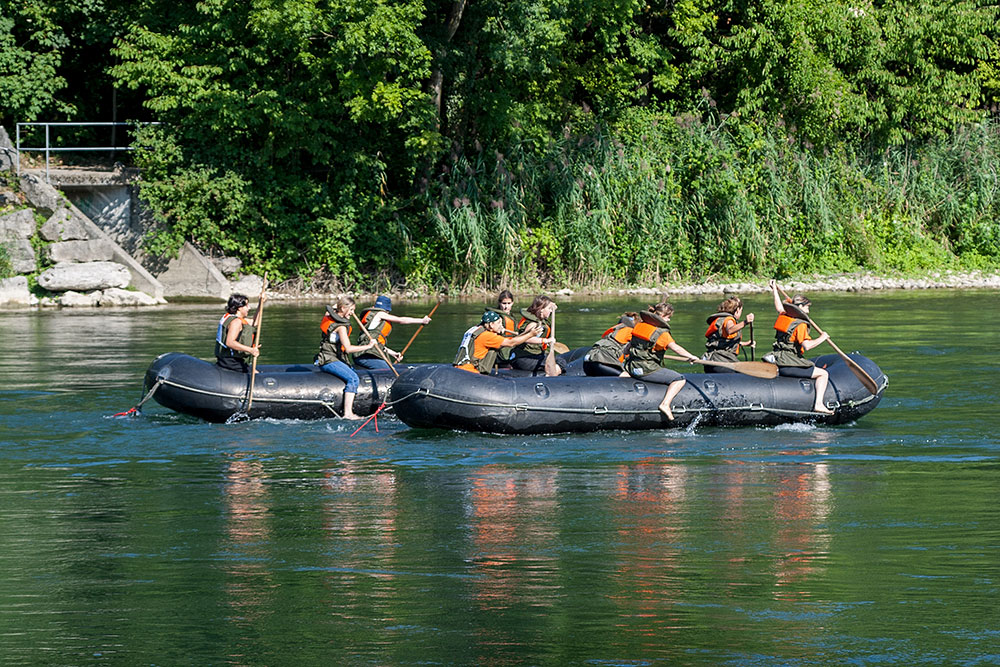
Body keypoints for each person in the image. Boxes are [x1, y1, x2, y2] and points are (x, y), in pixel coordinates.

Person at [623, 302, 699, 420]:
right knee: (679, 379)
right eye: (668, 317)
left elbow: (628, 347)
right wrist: (691, 356)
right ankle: (665, 404)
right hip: (646, 370)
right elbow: (676, 348)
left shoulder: (639, 326)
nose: (668, 320)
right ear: (662, 316)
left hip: (631, 367)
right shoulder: (662, 333)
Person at [768, 279, 833, 414]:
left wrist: (774, 290)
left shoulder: (784, 316)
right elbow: (807, 346)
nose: (808, 311)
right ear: (801, 307)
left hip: (778, 360)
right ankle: (819, 404)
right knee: (823, 374)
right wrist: (822, 338)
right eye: (807, 307)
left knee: (814, 368)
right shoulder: (801, 325)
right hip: (789, 364)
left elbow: (779, 306)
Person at [314, 298, 378, 420]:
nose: (352, 313)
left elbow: (332, 308)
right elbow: (348, 349)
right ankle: (348, 413)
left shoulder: (328, 316)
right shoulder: (341, 327)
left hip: (328, 358)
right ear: (343, 308)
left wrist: (341, 305)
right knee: (353, 378)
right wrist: (368, 346)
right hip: (329, 360)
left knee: (351, 370)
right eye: (351, 310)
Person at [354, 295, 432, 370]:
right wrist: (421, 320)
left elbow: (377, 344)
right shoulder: (380, 314)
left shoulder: (371, 317)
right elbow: (401, 320)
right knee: (389, 371)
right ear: (386, 310)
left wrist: (393, 353)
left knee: (390, 367)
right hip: (366, 357)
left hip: (363, 355)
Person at [454, 311, 543, 375]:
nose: (501, 325)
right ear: (491, 325)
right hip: (470, 371)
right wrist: (531, 334)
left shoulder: (475, 329)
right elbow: (511, 343)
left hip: (460, 369)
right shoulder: (487, 336)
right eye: (499, 323)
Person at [511, 295, 566, 376]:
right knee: (559, 363)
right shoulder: (533, 324)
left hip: (536, 354)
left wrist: (552, 306)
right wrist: (545, 340)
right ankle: (550, 378)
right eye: (549, 309)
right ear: (541, 310)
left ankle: (552, 375)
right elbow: (525, 339)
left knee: (561, 361)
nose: (551, 311)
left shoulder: (541, 320)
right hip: (524, 358)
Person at [703, 296, 755, 372]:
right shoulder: (729, 320)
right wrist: (745, 322)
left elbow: (723, 342)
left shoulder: (720, 319)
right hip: (722, 361)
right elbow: (730, 330)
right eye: (741, 310)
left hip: (711, 361)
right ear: (737, 310)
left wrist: (746, 343)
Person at [215, 292, 264, 372]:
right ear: (239, 308)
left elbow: (255, 322)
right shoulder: (236, 322)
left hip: (227, 360)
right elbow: (230, 342)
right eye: (246, 306)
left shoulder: (229, 317)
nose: (249, 308)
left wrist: (260, 303)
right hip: (230, 361)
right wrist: (251, 350)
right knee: (257, 374)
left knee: (254, 371)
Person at [583, 312, 638, 377]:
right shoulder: (630, 332)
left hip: (587, 364)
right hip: (602, 364)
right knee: (627, 377)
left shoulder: (613, 332)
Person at [484, 290, 517, 368]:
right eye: (504, 303)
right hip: (501, 348)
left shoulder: (511, 317)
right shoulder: (496, 318)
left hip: (512, 345)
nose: (506, 307)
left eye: (509, 303)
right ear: (499, 303)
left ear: (512, 303)